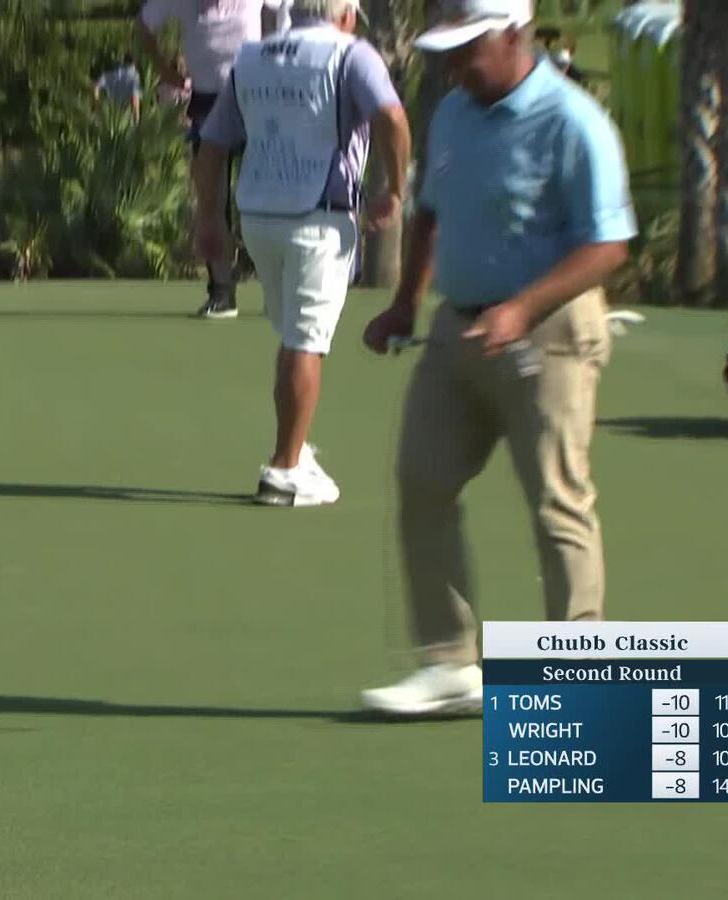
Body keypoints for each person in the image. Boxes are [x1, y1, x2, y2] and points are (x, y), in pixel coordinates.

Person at [358, 0, 636, 716]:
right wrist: (405, 303)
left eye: (469, 46)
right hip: (460, 327)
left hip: (551, 331)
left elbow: (608, 246)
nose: (454, 63)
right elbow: (432, 212)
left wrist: (522, 310)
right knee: (423, 481)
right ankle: (451, 665)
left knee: (557, 502)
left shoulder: (574, 121)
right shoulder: (454, 111)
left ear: (515, 33)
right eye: (448, 49)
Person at [194, 0, 410, 507]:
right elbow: (392, 117)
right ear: (346, 13)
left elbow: (213, 143)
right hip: (318, 214)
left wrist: (208, 216)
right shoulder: (352, 54)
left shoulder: (252, 56)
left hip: (258, 215)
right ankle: (285, 469)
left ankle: (295, 449)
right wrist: (397, 188)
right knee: (305, 342)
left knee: (293, 337)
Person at [138, 0, 288, 320]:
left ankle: (277, 290)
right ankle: (221, 291)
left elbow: (289, 9)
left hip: (254, 100)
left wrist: (279, 57)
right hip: (206, 104)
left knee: (266, 199)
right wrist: (165, 71)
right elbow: (144, 26)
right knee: (211, 200)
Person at [94, 54, 143, 122]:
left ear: (123, 61)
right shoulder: (134, 76)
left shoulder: (112, 73)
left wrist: (97, 105)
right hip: (124, 119)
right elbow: (134, 100)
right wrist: (136, 121)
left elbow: (96, 87)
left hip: (109, 117)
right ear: (135, 63)